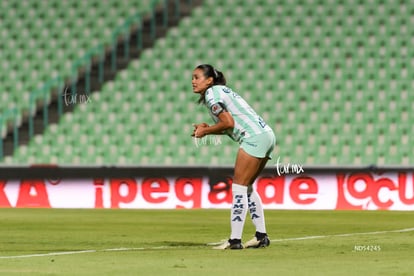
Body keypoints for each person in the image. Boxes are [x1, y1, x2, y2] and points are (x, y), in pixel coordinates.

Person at [191, 64, 276, 249]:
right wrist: (208, 129)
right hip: (266, 135)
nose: (193, 81)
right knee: (247, 187)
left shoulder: (211, 94)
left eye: (197, 77)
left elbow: (227, 122)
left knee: (239, 187)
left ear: (209, 80)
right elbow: (230, 126)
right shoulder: (221, 91)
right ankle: (261, 236)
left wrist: (205, 132)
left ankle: (234, 240)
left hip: (253, 138)